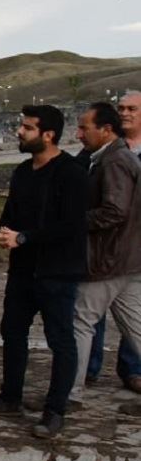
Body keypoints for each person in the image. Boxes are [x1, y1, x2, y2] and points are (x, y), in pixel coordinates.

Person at [0, 105, 87, 440]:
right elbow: (11, 212)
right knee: (12, 331)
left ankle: (55, 411)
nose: (19, 132)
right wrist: (4, 233)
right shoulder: (22, 171)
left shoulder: (71, 173)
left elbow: (71, 226)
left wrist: (25, 238)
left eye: (27, 127)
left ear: (48, 134)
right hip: (22, 271)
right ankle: (10, 397)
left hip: (57, 272)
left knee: (61, 341)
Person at [69, 102, 141, 419]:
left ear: (106, 130)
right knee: (137, 328)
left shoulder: (114, 162)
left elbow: (115, 211)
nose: (79, 134)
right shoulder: (116, 158)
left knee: (80, 324)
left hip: (107, 261)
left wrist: (73, 221)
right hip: (127, 260)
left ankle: (68, 395)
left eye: (85, 128)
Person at [87, 89, 141, 391]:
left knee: (132, 313)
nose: (125, 113)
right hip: (101, 247)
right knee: (92, 312)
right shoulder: (100, 153)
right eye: (121, 107)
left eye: (132, 108)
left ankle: (132, 370)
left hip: (134, 245)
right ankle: (89, 369)